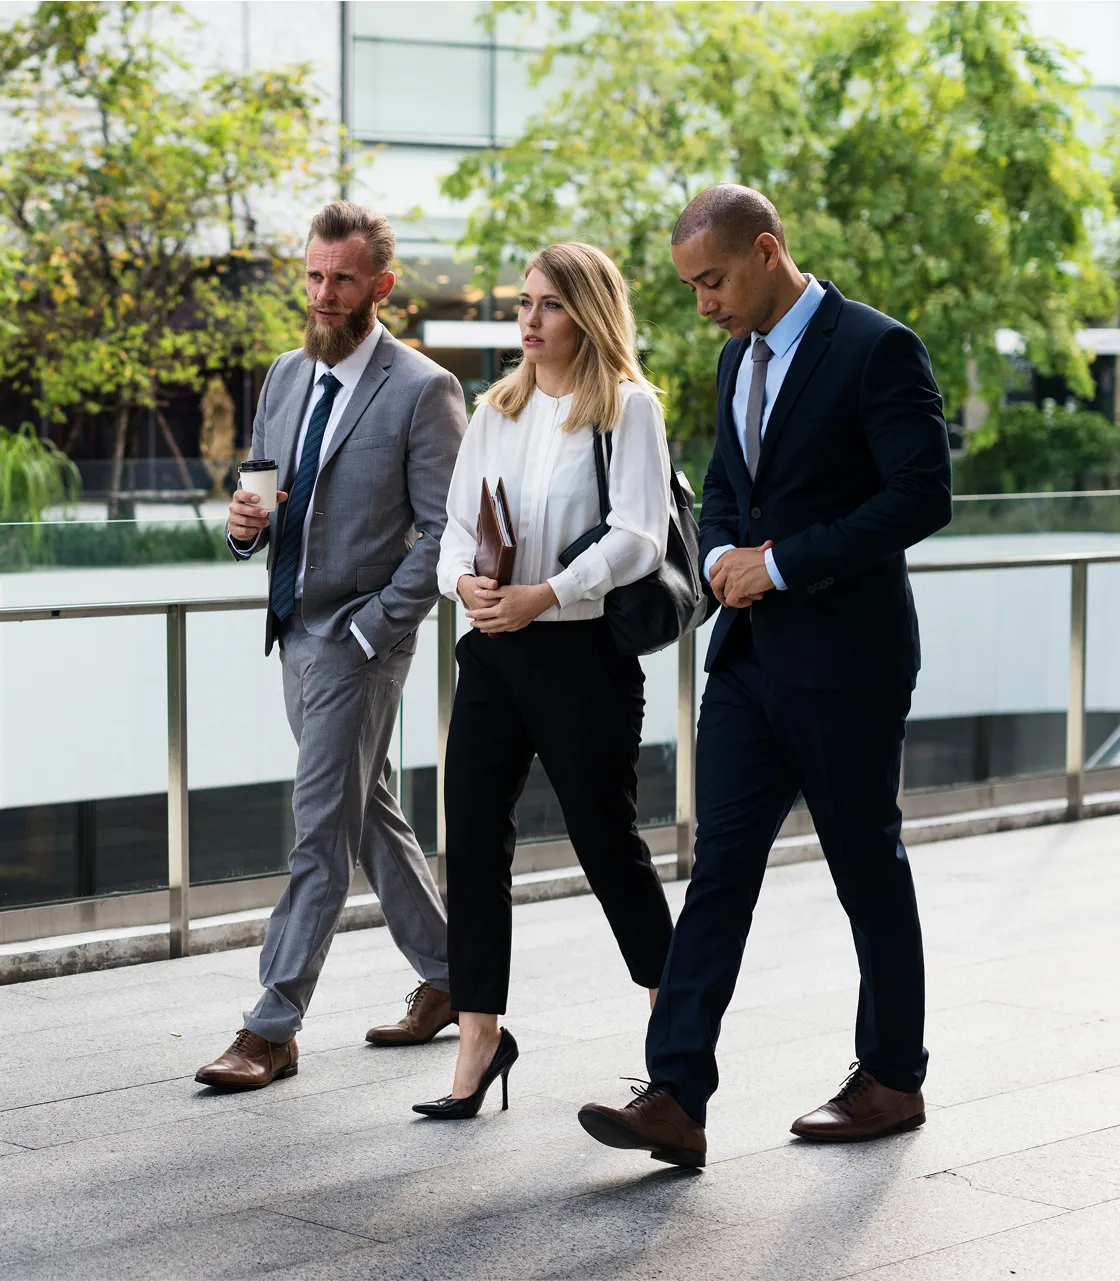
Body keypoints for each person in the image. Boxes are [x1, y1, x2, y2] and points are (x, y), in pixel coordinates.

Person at [578, 186, 952, 1167]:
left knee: (865, 867)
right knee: (717, 874)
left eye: (713, 280)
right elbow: (728, 493)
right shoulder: (730, 358)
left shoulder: (877, 348)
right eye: (692, 287)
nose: (702, 303)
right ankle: (674, 1095)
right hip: (746, 663)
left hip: (846, 662)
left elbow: (921, 495)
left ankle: (892, 1078)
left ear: (767, 250)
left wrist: (778, 562)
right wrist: (718, 557)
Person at [195, 202, 467, 1090]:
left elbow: (442, 533)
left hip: (359, 642)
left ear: (380, 286)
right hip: (293, 631)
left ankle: (271, 1027)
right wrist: (242, 526)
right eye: (313, 275)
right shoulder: (282, 374)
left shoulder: (423, 390)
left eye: (341, 279)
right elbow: (263, 493)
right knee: (367, 812)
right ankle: (452, 976)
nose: (321, 294)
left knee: (319, 832)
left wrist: (372, 626)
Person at [412, 242, 676, 1119]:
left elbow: (639, 535)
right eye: (523, 302)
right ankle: (481, 1037)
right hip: (494, 652)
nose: (528, 320)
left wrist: (548, 595)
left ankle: (672, 1034)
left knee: (607, 845)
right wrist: (470, 585)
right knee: (474, 841)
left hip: (581, 655)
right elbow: (453, 529)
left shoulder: (627, 409)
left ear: (589, 313)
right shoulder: (497, 409)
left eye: (549, 305)